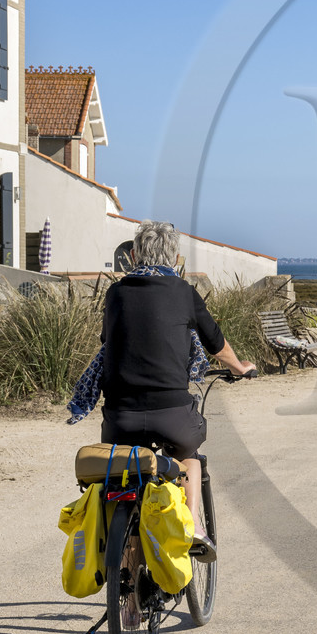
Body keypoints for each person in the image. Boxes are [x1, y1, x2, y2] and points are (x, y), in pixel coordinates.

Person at [68, 220, 256, 561]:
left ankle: (126, 581)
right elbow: (216, 343)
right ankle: (195, 528)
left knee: (123, 478)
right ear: (176, 258)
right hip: (171, 415)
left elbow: (108, 341)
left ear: (136, 253)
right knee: (190, 458)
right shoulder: (184, 292)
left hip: (119, 417)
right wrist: (239, 367)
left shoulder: (115, 293)